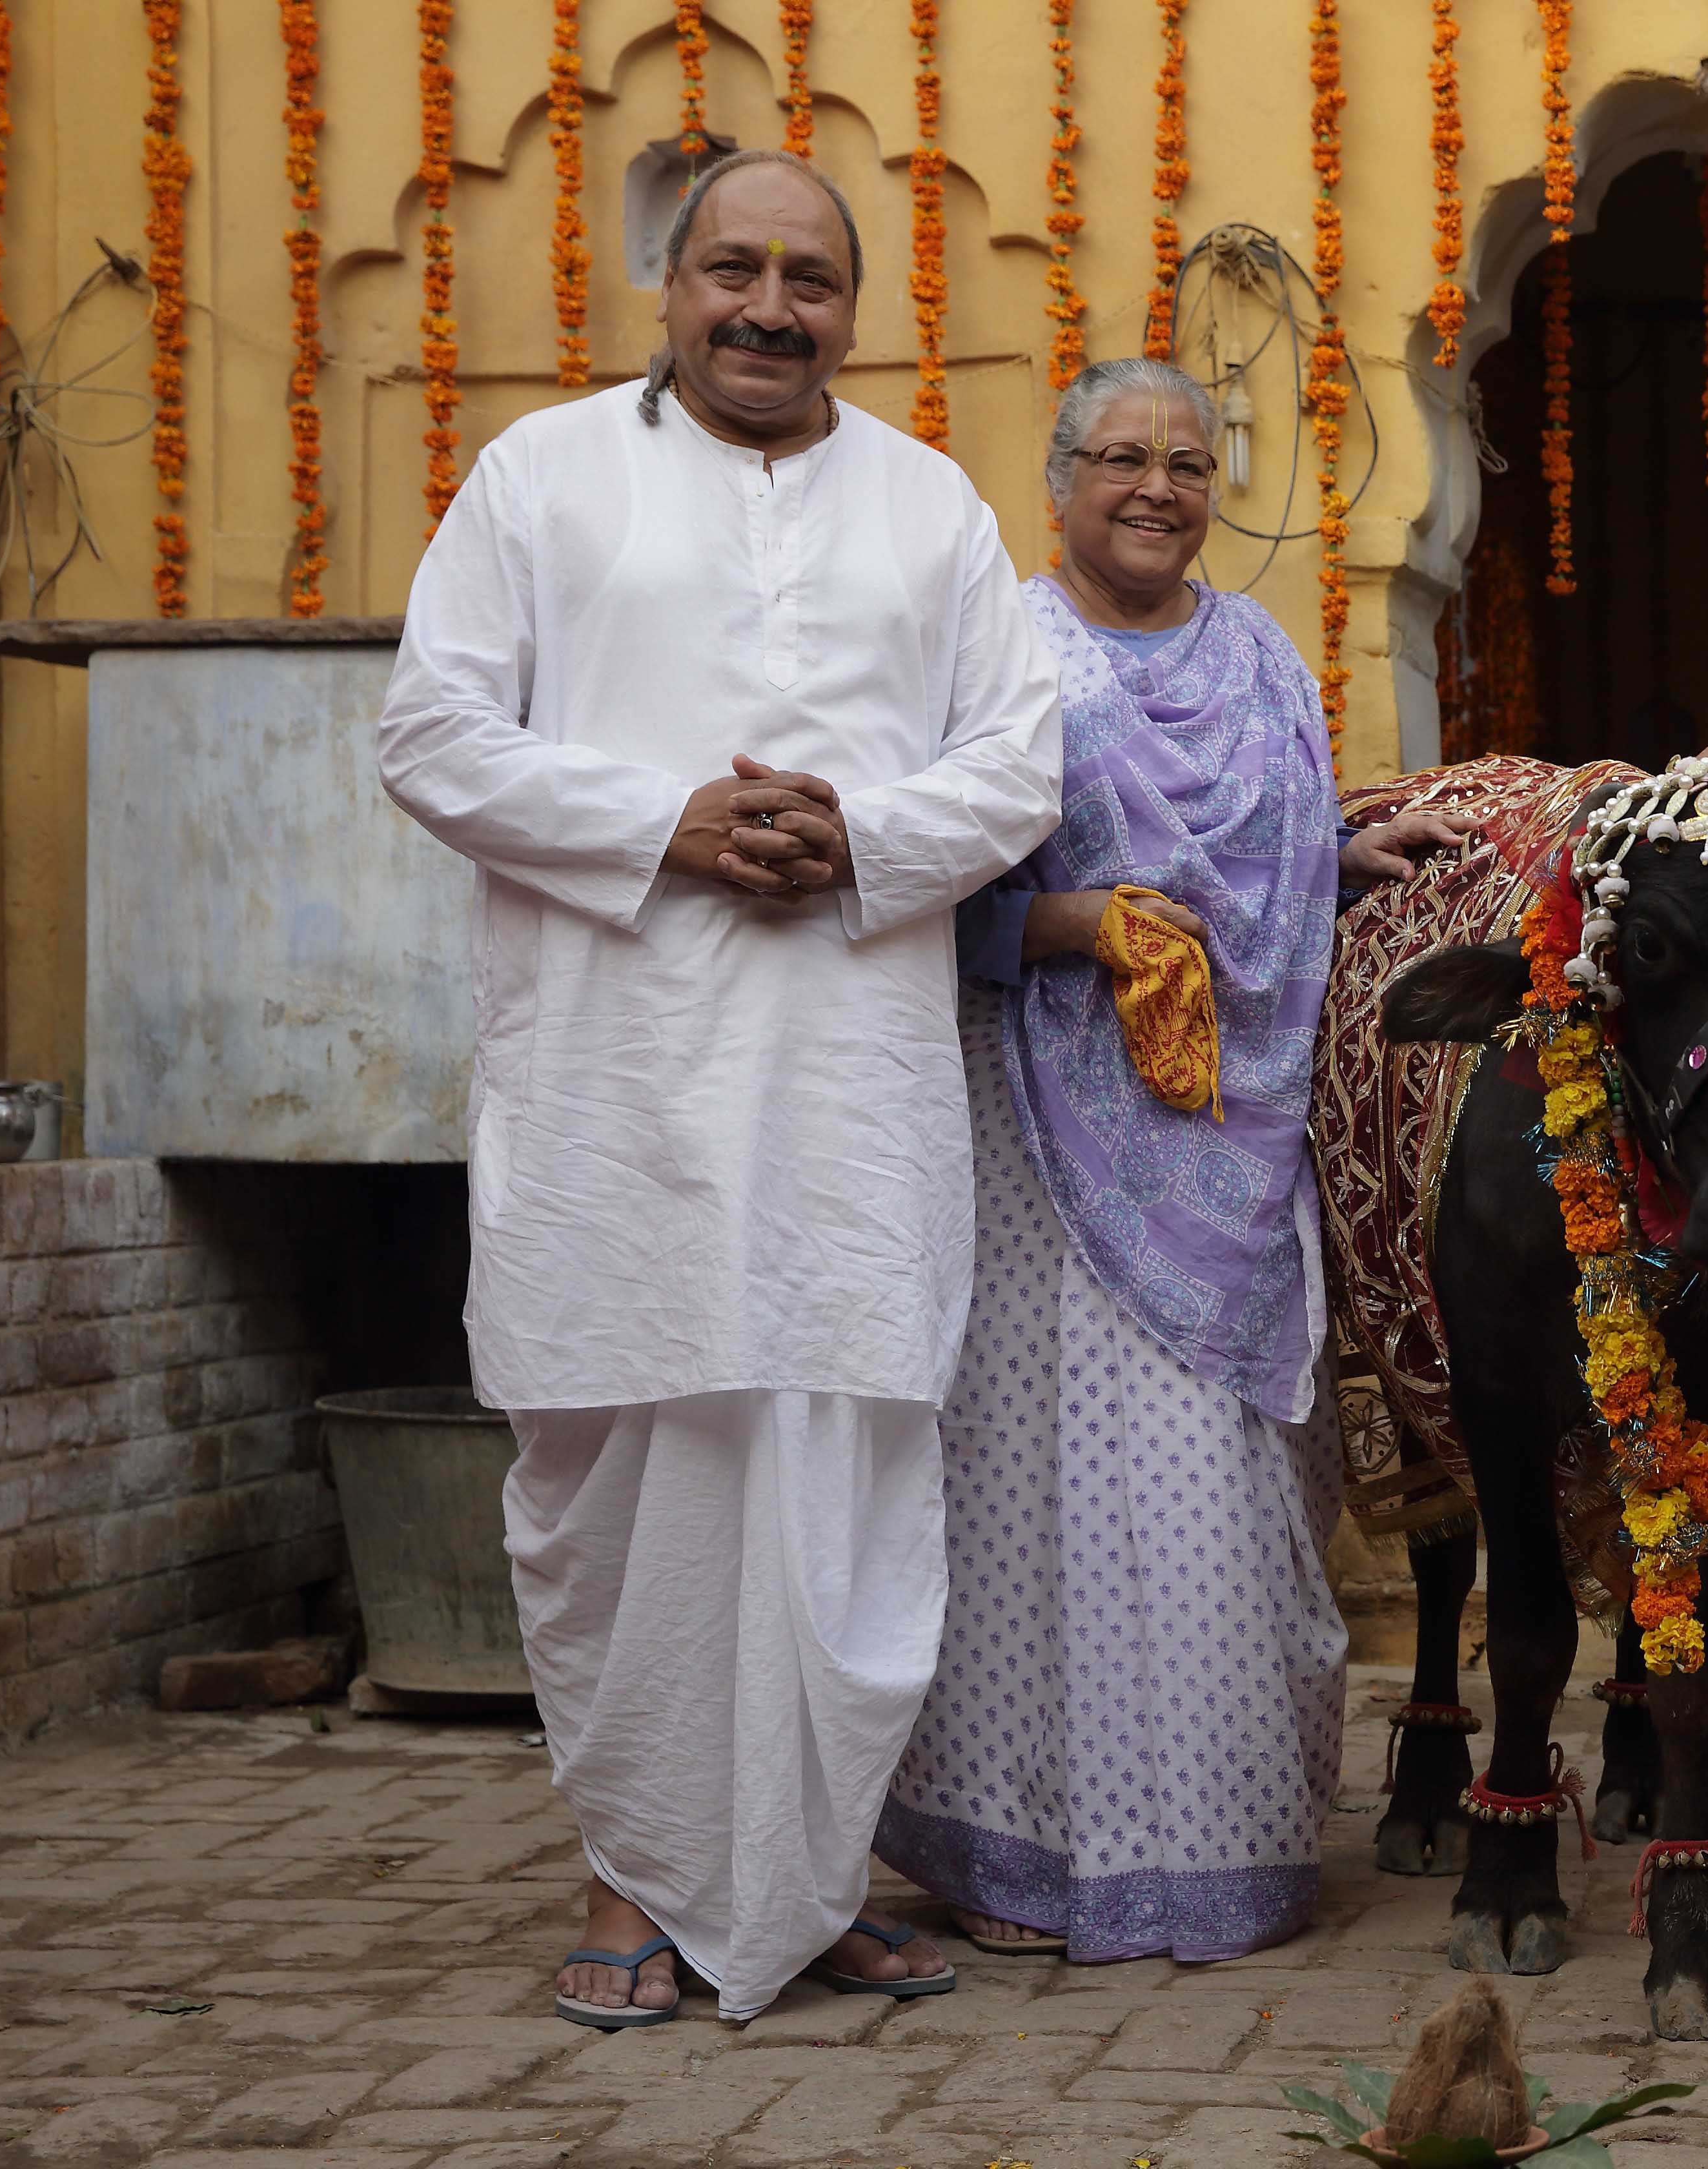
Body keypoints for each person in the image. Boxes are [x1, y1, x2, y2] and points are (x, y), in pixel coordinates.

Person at [378, 147, 1064, 2026]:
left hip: (847, 1096)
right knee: (617, 1475)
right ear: (669, 290)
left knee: (846, 1482)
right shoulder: (539, 481)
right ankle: (637, 1876)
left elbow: (1018, 762)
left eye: (810, 281)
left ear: (858, 311)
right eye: (734, 272)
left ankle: (808, 1880)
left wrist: (862, 839)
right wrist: (662, 824)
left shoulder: (927, 506)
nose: (769, 308)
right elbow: (429, 730)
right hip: (618, 1083)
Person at [871, 357, 1465, 1964]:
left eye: (1189, 463)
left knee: (1236, 1491)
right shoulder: (999, 649)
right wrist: (1070, 923)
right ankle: (1019, 1858)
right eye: (1122, 458)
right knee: (1042, 1493)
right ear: (1057, 478)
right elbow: (909, 883)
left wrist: (1336, 855)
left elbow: (1247, 870)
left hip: (1233, 1145)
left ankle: (1224, 1850)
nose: (1157, 487)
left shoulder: (1261, 650)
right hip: (1054, 1140)